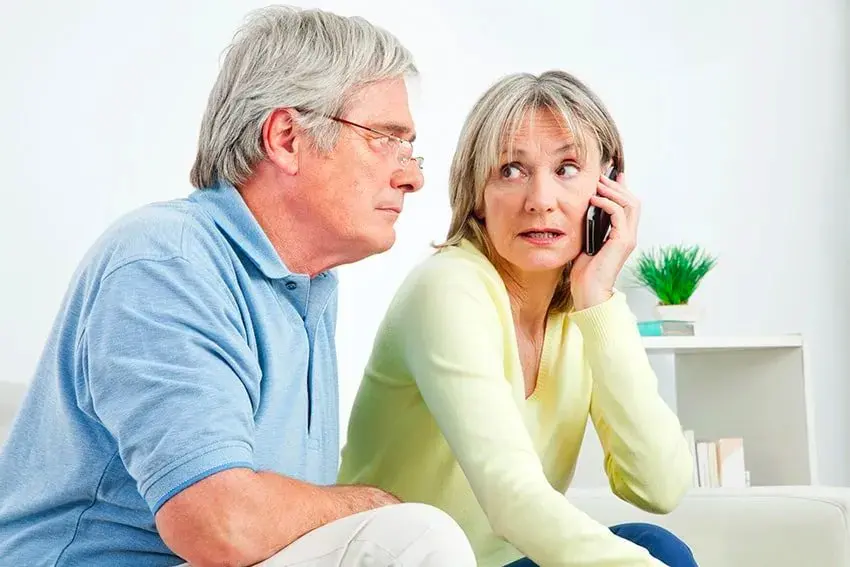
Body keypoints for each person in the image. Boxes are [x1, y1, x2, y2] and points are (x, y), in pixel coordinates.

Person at [0, 6, 476, 567]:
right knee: (410, 538)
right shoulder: (165, 261)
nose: (412, 176)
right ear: (286, 137)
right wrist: (369, 506)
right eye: (383, 139)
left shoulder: (310, 284)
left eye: (409, 147)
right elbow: (220, 524)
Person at [337, 70, 698, 566]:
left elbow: (659, 485)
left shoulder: (581, 312)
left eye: (567, 168)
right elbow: (512, 500)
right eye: (510, 170)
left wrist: (599, 300)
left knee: (652, 542)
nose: (541, 200)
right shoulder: (448, 289)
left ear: (607, 189)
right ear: (477, 194)